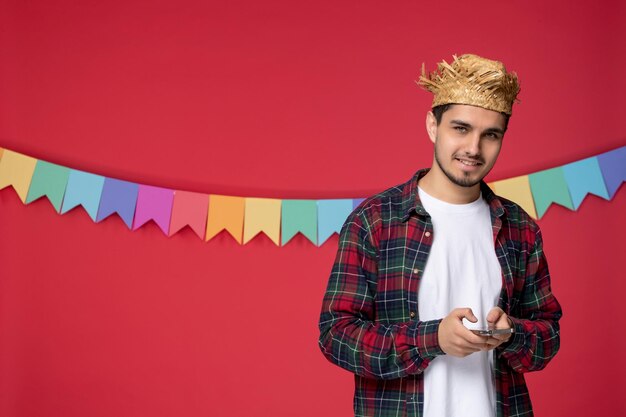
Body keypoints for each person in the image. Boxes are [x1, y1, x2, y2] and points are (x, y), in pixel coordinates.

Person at [318, 54, 562, 417]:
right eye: (461, 129)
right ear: (433, 125)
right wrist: (431, 340)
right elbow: (336, 335)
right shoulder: (375, 221)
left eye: (490, 134)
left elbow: (548, 337)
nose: (473, 149)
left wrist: (513, 334)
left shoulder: (520, 228)